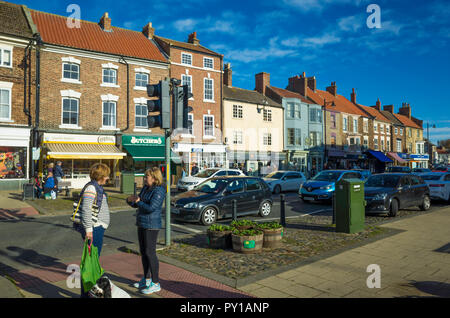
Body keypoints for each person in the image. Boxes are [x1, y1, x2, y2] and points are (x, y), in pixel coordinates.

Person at [73, 163, 111, 298]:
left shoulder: (96, 187)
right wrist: (89, 230)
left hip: (97, 229)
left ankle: (88, 293)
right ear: (101, 175)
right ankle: (86, 294)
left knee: (92, 263)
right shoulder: (91, 188)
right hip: (94, 230)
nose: (108, 177)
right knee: (90, 266)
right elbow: (86, 210)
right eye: (106, 174)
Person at [127, 167, 166, 295]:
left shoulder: (159, 190)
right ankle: (147, 279)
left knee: (150, 253)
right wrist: (131, 201)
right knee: (143, 252)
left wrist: (138, 202)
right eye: (145, 176)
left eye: (147, 177)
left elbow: (151, 207)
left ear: (154, 178)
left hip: (151, 225)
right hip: (142, 223)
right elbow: (139, 202)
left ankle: (156, 283)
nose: (144, 178)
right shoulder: (145, 188)